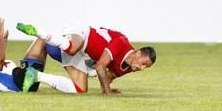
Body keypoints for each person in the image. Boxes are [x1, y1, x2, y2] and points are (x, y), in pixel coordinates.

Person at [16, 22, 156, 95]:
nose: (141, 68)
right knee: (71, 49)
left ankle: (35, 75)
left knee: (80, 89)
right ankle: (40, 32)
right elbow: (100, 66)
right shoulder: (121, 42)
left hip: (80, 51)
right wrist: (107, 92)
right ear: (137, 53)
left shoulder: (128, 67)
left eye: (146, 67)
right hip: (82, 31)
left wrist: (107, 87)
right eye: (143, 63)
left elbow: (110, 76)